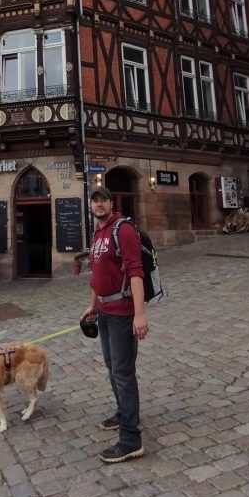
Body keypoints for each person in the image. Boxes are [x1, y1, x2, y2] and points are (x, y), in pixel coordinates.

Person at [81, 185, 148, 463]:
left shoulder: (124, 230)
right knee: (112, 369)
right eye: (95, 201)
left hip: (122, 312)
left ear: (111, 203)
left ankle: (131, 439)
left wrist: (139, 314)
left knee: (123, 372)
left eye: (103, 200)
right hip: (105, 311)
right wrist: (93, 305)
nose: (98, 205)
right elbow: (97, 273)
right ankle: (123, 413)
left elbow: (135, 271)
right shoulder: (97, 233)